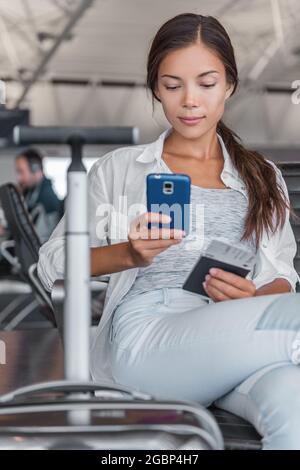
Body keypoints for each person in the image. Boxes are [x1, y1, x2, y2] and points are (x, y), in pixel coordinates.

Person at [37, 14, 300, 449]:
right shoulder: (119, 169)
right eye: (173, 85)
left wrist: (252, 297)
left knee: (294, 405)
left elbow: (282, 276)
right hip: (149, 338)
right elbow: (52, 265)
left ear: (230, 85)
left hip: (234, 333)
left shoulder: (261, 176)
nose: (189, 100)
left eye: (206, 83)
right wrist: (129, 254)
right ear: (156, 89)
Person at [15, 147, 63, 243]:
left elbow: (42, 241)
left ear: (35, 169)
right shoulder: (29, 192)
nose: (18, 178)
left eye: (21, 172)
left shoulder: (47, 199)